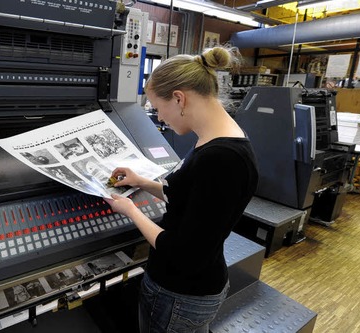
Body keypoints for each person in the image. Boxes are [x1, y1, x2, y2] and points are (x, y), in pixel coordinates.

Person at [105, 46, 259, 333]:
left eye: (158, 108)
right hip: (187, 289)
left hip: (181, 295)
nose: (160, 118)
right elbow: (190, 198)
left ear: (179, 98)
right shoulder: (215, 138)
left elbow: (184, 254)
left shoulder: (222, 158)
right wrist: (141, 182)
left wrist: (131, 211)